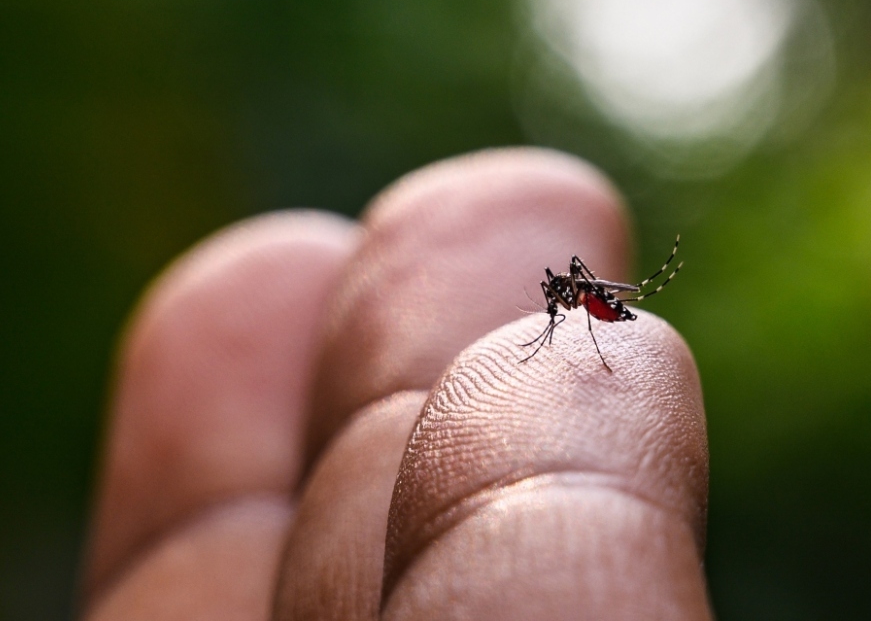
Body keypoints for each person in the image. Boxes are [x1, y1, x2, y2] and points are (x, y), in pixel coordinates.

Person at [80, 148, 712, 620]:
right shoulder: (561, 294)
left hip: (604, 313)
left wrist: (587, 313)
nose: (555, 298)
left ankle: (632, 298)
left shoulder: (577, 298)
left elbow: (573, 295)